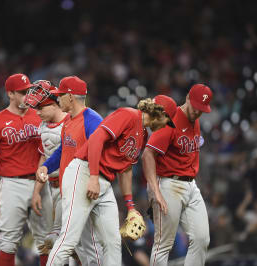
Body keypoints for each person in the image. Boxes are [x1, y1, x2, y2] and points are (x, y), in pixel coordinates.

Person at [45, 94, 177, 266]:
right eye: (167, 121)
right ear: (159, 113)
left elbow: (126, 169)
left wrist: (130, 207)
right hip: (84, 171)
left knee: (113, 241)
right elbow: (96, 139)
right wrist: (93, 176)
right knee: (69, 238)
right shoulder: (128, 115)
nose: (165, 127)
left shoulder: (143, 135)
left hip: (104, 182)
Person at [142, 84, 213, 266]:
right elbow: (148, 154)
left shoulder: (195, 120)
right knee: (163, 244)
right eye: (196, 107)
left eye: (202, 110)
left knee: (201, 238)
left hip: (191, 185)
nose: (198, 112)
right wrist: (155, 191)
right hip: (168, 184)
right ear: (188, 98)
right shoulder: (171, 119)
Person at [36, 76, 103, 265]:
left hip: (85, 190)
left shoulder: (92, 120)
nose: (58, 100)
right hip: (71, 190)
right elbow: (62, 151)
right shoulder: (69, 121)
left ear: (71, 97)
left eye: (61, 96)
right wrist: (46, 166)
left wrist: (94, 179)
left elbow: (98, 154)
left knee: (91, 246)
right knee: (80, 248)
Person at [0, 74, 45, 266]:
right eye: (23, 92)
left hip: (40, 183)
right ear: (10, 93)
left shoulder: (40, 114)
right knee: (8, 243)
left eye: (29, 91)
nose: (28, 95)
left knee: (46, 241)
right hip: (11, 184)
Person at [24, 80, 70, 260]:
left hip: (71, 186)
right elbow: (44, 157)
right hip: (53, 188)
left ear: (53, 104)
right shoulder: (43, 127)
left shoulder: (71, 122)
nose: (37, 112)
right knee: (54, 243)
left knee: (74, 243)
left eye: (40, 108)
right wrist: (36, 192)